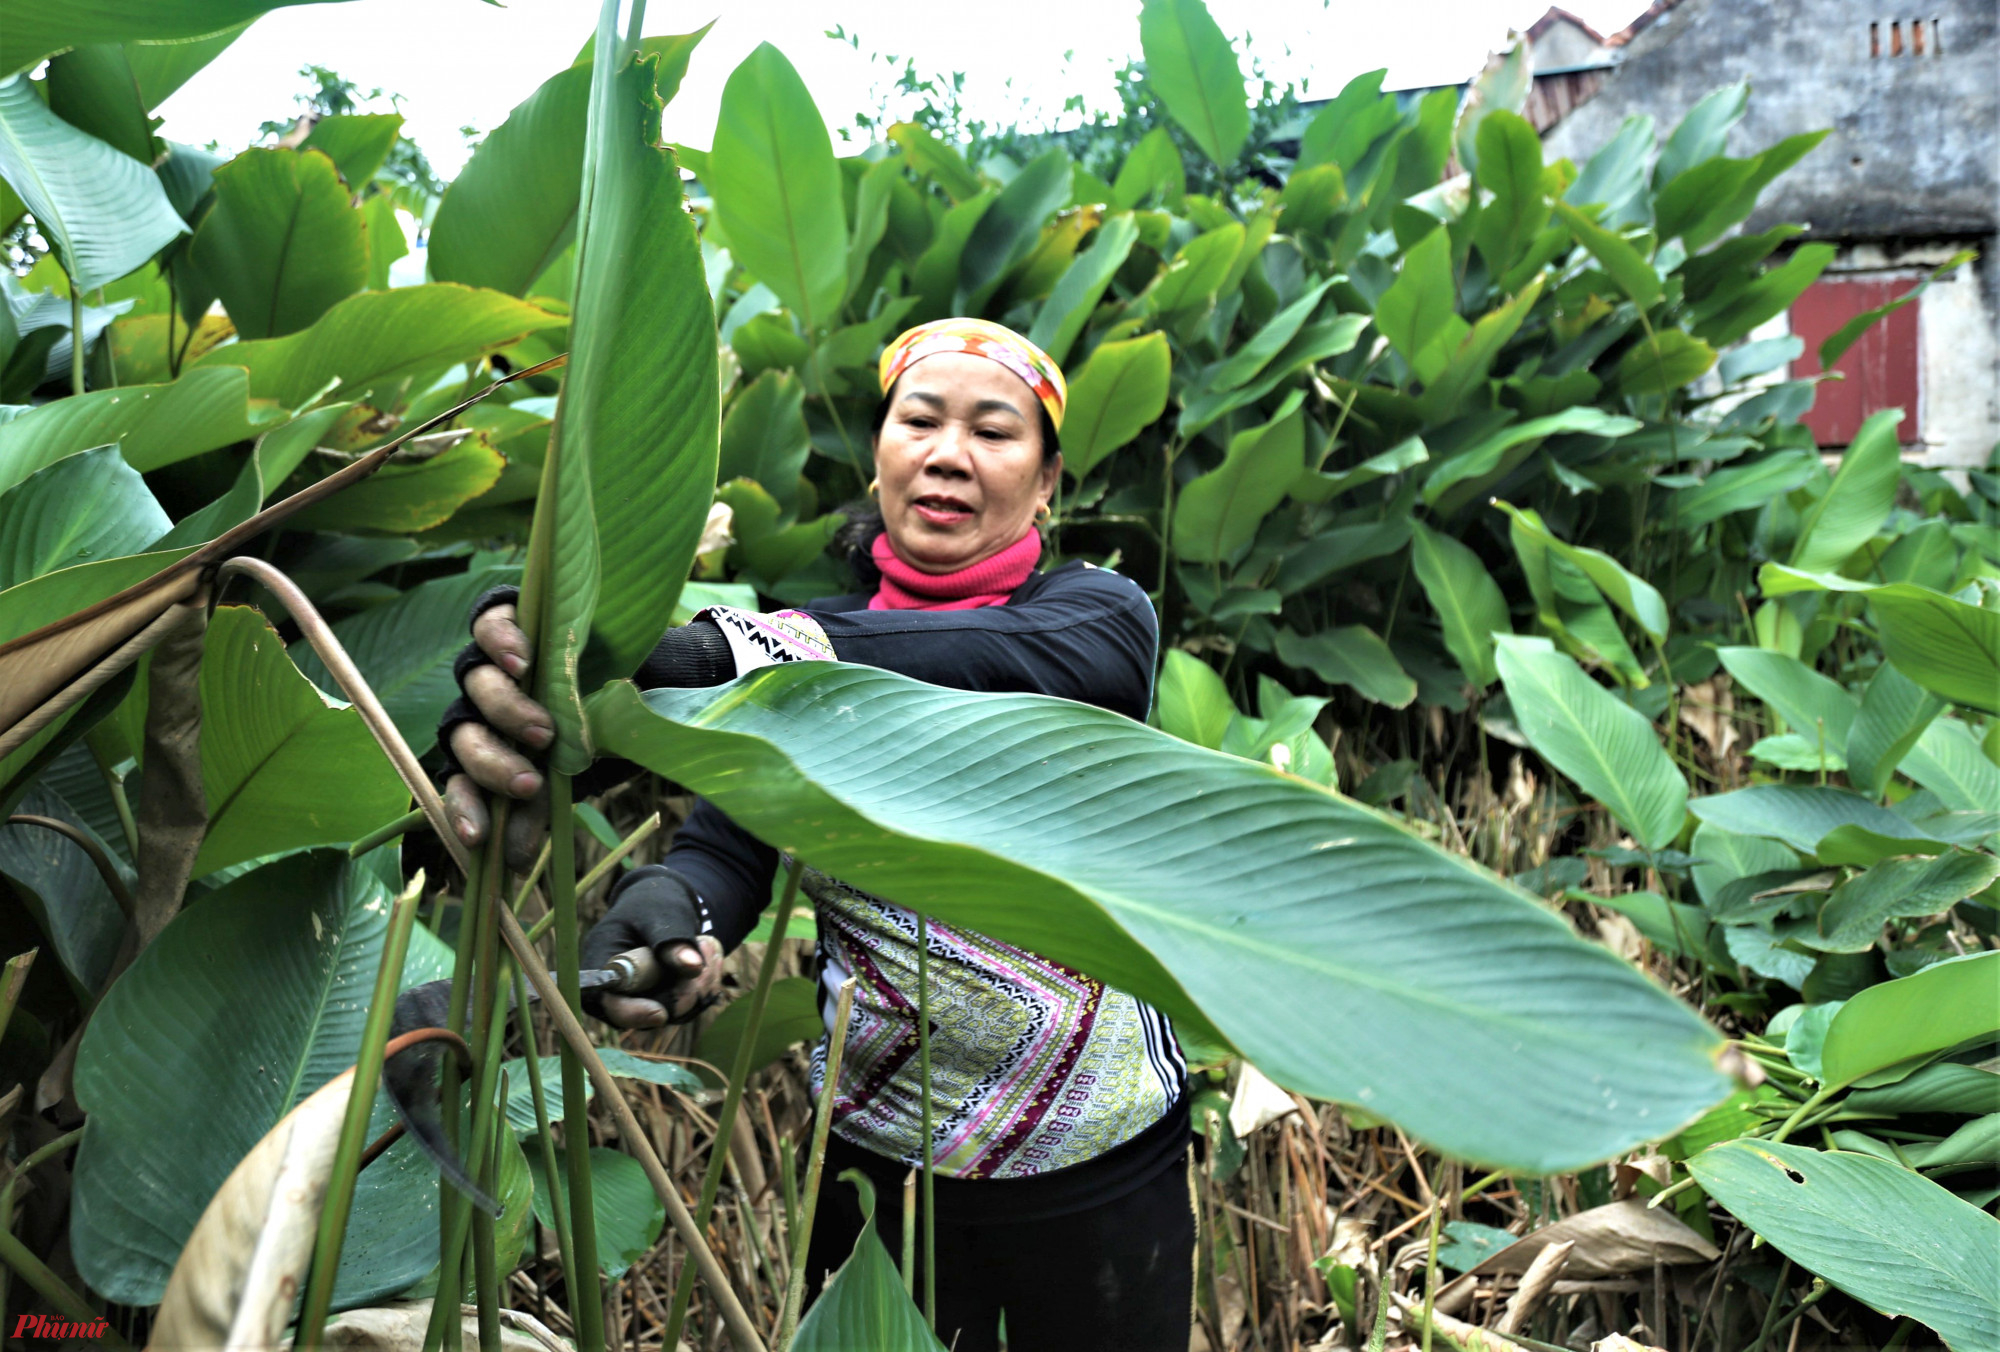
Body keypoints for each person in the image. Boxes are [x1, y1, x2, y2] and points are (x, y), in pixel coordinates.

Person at [436, 317, 1195, 1352]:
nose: (946, 452)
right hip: (874, 1168)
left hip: (1099, 1166)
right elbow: (724, 849)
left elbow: (1012, 659)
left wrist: (714, 655)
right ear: (879, 452)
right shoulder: (790, 647)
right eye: (917, 419)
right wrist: (666, 913)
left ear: (1048, 479)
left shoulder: (1092, 616)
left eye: (994, 430)